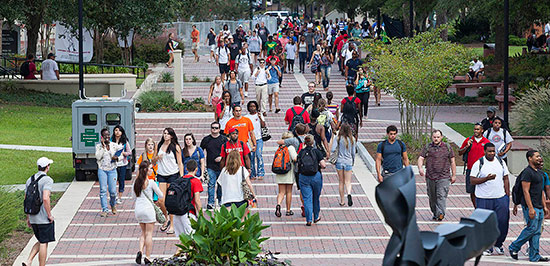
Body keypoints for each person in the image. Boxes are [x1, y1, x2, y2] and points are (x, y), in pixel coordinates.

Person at [469, 143, 510, 256]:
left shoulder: (500, 162)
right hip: (483, 198)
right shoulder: (479, 163)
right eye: (489, 151)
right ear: (484, 151)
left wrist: (507, 195)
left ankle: (498, 244)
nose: (492, 153)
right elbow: (472, 180)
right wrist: (486, 179)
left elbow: (506, 178)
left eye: (493, 151)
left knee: (502, 222)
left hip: (500, 198)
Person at [509, 150, 550, 262]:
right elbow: (525, 191)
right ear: (529, 158)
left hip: (539, 206)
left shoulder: (539, 173)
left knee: (536, 231)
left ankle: (534, 256)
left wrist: (544, 206)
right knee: (531, 229)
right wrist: (531, 208)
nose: (539, 158)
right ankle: (514, 247)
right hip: (530, 207)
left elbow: (540, 191)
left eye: (539, 156)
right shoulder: (527, 172)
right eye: (536, 156)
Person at [417, 130, 456, 221]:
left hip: (444, 176)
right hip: (430, 176)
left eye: (438, 137)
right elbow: (421, 158)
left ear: (441, 137)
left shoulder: (447, 147)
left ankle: (441, 213)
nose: (436, 139)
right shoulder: (428, 147)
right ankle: (435, 213)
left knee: (441, 195)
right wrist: (420, 168)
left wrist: (454, 175)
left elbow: (452, 161)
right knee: (432, 196)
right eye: (434, 137)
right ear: (432, 137)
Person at [23, 157, 55, 266]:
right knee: (43, 243)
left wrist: (28, 218)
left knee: (41, 240)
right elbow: (46, 198)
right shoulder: (47, 180)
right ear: (47, 167)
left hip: (33, 217)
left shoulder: (30, 179)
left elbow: (26, 199)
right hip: (43, 218)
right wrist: (49, 215)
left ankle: (28, 261)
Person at [155, 128, 185, 235]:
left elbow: (180, 162)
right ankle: (166, 218)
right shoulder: (159, 145)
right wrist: (157, 157)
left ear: (172, 136)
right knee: (160, 200)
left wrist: (181, 177)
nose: (165, 135)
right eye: (164, 133)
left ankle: (172, 224)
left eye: (168, 134)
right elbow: (153, 160)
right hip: (161, 174)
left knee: (171, 200)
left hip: (173, 174)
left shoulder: (175, 147)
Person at [133, 161, 163, 265]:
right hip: (148, 209)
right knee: (149, 233)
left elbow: (134, 197)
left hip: (138, 209)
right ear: (146, 170)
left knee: (143, 232)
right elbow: (161, 195)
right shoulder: (151, 182)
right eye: (150, 168)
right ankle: (148, 256)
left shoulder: (136, 183)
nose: (152, 170)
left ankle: (140, 251)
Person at [459, 123, 491, 208]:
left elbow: (490, 155)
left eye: (478, 129)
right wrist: (467, 146)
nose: (475, 131)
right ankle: (476, 208)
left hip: (483, 170)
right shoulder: (469, 140)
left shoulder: (486, 142)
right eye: (475, 129)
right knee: (472, 191)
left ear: (482, 130)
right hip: (471, 169)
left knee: (483, 190)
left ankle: (482, 207)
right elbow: (460, 152)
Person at [297, 135, 327, 226]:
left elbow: (297, 164)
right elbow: (323, 165)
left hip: (304, 177)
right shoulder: (316, 152)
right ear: (313, 142)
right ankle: (316, 216)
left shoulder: (301, 152)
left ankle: (308, 219)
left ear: (305, 143)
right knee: (315, 197)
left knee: (307, 199)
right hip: (316, 176)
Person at [200, 122, 228, 209]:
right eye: (213, 128)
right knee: (211, 184)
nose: (214, 129)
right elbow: (201, 152)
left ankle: (220, 200)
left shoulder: (224, 140)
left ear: (219, 129)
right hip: (210, 167)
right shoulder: (206, 139)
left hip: (222, 166)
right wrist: (203, 165)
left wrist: (221, 158)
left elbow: (228, 152)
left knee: (220, 185)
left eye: (216, 128)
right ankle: (211, 202)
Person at [95, 128, 122, 217]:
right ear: (102, 137)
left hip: (112, 170)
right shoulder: (98, 146)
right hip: (102, 170)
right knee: (103, 190)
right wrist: (103, 147)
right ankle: (105, 209)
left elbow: (121, 155)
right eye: (105, 135)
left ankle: (113, 204)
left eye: (108, 135)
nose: (107, 137)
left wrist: (117, 158)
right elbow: (98, 157)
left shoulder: (114, 145)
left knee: (113, 191)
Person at [173, 160, 203, 236]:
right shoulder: (195, 181)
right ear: (196, 169)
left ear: (186, 169)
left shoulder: (179, 180)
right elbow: (197, 200)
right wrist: (200, 215)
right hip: (188, 214)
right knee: (193, 241)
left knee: (183, 242)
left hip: (177, 214)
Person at [332, 123, 356, 207]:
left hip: (339, 161)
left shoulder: (338, 138)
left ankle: (342, 201)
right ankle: (349, 193)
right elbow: (353, 152)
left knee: (341, 181)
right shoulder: (352, 139)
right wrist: (353, 161)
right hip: (348, 161)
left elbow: (332, 149)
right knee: (348, 181)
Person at [275, 132, 298, 217]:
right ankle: (288, 210)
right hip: (289, 171)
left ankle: (278, 204)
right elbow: (295, 158)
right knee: (289, 191)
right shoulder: (291, 147)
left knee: (281, 192)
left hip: (280, 171)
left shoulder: (280, 147)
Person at [111, 125, 132, 204]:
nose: (117, 132)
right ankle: (114, 195)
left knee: (121, 180)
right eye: (116, 130)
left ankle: (119, 197)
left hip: (122, 164)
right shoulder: (111, 141)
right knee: (113, 180)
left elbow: (129, 152)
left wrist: (124, 153)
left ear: (122, 132)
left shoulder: (125, 142)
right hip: (113, 164)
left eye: (119, 130)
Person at [245, 101, 265, 180]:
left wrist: (260, 118)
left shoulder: (259, 115)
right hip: (250, 140)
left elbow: (263, 125)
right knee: (251, 157)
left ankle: (261, 173)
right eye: (251, 106)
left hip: (258, 138)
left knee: (259, 155)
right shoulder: (246, 117)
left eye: (254, 106)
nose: (252, 108)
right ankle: (252, 174)